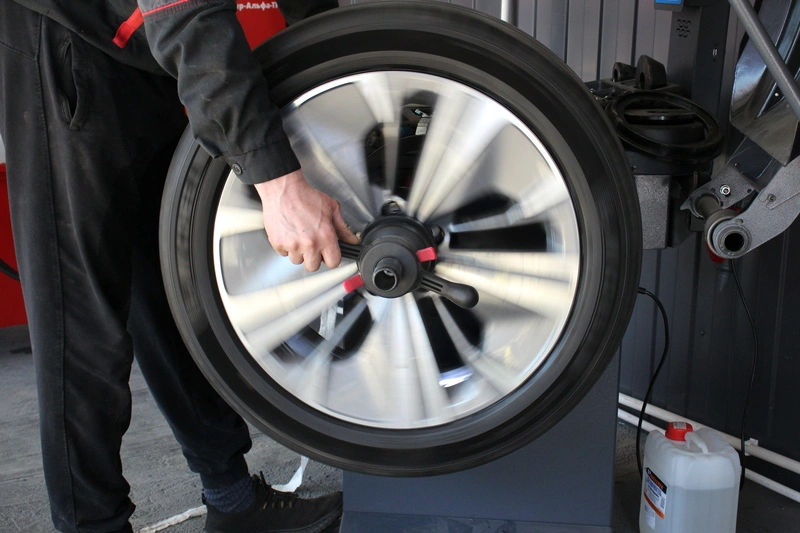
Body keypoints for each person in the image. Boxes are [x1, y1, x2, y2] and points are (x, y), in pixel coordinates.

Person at [0, 0, 357, 532]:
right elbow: (185, 11)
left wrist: (346, 76)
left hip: (140, 44)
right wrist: (277, 182)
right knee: (81, 322)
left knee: (169, 287)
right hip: (65, 38)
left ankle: (233, 501)